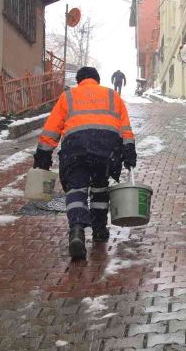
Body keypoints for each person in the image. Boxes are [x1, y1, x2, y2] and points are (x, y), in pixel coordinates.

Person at [33, 67, 137, 261]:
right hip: (105, 150)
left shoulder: (68, 96)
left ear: (79, 80)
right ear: (97, 79)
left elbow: (51, 128)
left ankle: (77, 230)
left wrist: (43, 156)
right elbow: (125, 129)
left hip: (76, 149)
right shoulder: (112, 95)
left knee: (76, 190)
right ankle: (99, 230)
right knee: (99, 189)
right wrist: (129, 152)